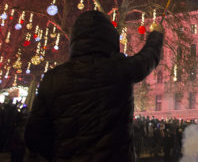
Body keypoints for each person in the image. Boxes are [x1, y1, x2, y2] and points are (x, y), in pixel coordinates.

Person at [24, 10, 164, 161]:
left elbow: (33, 136)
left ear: (75, 40)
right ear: (110, 38)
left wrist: (62, 154)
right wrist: (156, 34)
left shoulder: (53, 79)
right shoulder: (119, 69)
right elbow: (148, 58)